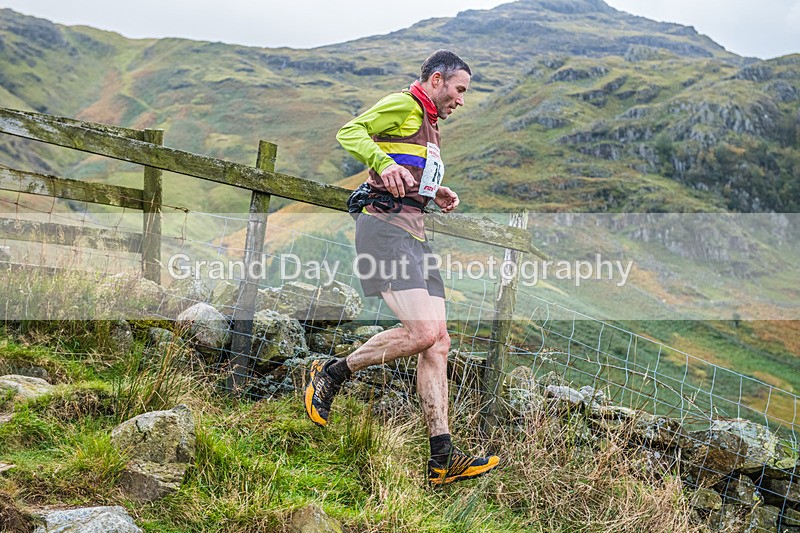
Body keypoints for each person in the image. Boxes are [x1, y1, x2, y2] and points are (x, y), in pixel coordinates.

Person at [304, 49, 500, 485]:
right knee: (423, 333)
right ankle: (331, 373)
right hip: (385, 231)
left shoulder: (430, 126)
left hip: (414, 233)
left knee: (439, 343)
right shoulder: (405, 105)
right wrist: (383, 162)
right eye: (459, 89)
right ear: (435, 81)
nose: (462, 100)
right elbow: (350, 131)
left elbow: (408, 172)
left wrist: (434, 191)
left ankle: (441, 457)